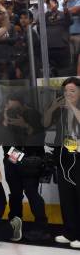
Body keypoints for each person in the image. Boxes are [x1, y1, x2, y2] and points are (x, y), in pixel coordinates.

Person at [0, 92, 49, 241]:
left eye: (16, 108)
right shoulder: (1, 117)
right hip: (11, 159)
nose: (13, 111)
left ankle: (42, 227)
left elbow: (39, 139)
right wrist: (5, 122)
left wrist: (25, 126)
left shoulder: (33, 115)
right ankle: (15, 224)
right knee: (15, 194)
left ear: (23, 106)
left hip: (31, 160)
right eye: (10, 108)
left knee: (32, 192)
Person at [43, 77, 80, 248]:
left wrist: (72, 106)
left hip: (78, 158)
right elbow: (45, 123)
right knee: (66, 197)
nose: (68, 94)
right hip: (64, 156)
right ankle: (70, 231)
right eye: (66, 91)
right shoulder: (61, 109)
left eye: (72, 91)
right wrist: (52, 108)